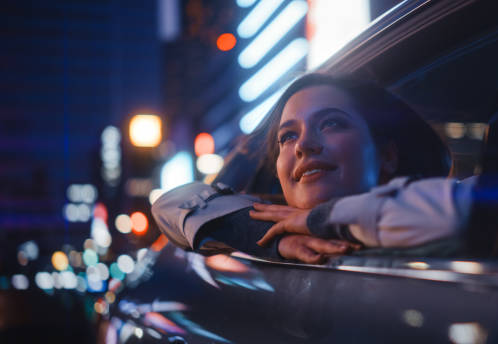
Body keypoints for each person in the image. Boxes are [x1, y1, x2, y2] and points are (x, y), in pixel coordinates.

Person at [152, 73, 474, 263]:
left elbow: (467, 211)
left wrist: (320, 220)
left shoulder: (445, 201)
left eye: (332, 123)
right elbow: (168, 204)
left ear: (387, 156)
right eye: (287, 136)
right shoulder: (276, 223)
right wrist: (265, 235)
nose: (304, 145)